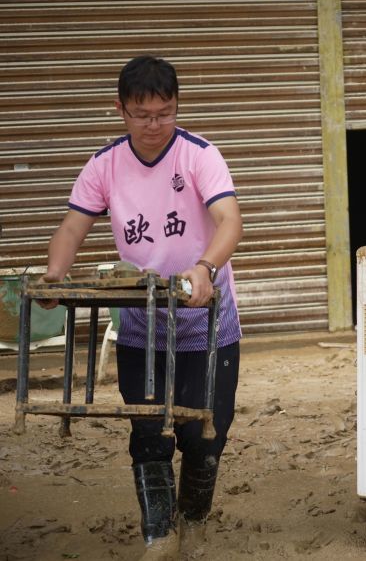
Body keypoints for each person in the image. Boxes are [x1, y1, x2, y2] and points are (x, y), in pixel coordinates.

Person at [41, 55, 243, 557]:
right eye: (141, 114)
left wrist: (204, 268)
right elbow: (72, 227)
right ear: (121, 110)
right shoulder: (103, 164)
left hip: (205, 319)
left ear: (177, 107)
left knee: (204, 432)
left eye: (165, 113)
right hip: (141, 322)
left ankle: (193, 519)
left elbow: (230, 221)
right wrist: (53, 275)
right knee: (148, 430)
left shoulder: (199, 155)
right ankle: (159, 533)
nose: (154, 125)